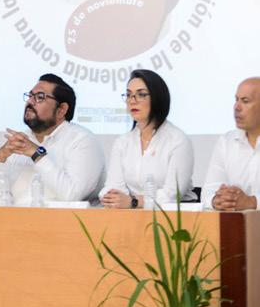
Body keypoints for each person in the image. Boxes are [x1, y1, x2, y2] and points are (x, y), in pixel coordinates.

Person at [0, 73, 104, 205]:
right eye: (30, 96)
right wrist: (0, 157)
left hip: (58, 218)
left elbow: (72, 195)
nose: (30, 101)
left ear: (61, 110)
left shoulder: (82, 140)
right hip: (14, 216)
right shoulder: (20, 140)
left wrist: (37, 154)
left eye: (39, 97)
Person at [100, 69, 194, 208]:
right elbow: (112, 186)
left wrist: (133, 201)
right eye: (128, 95)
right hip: (132, 214)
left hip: (173, 216)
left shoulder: (177, 140)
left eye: (141, 94)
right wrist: (112, 197)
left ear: (157, 98)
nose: (132, 101)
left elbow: (173, 194)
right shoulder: (122, 142)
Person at [203, 77, 260, 211]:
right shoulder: (226, 142)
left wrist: (253, 202)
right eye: (236, 100)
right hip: (235, 222)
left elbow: (250, 202)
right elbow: (209, 190)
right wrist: (218, 200)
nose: (237, 107)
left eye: (245, 101)